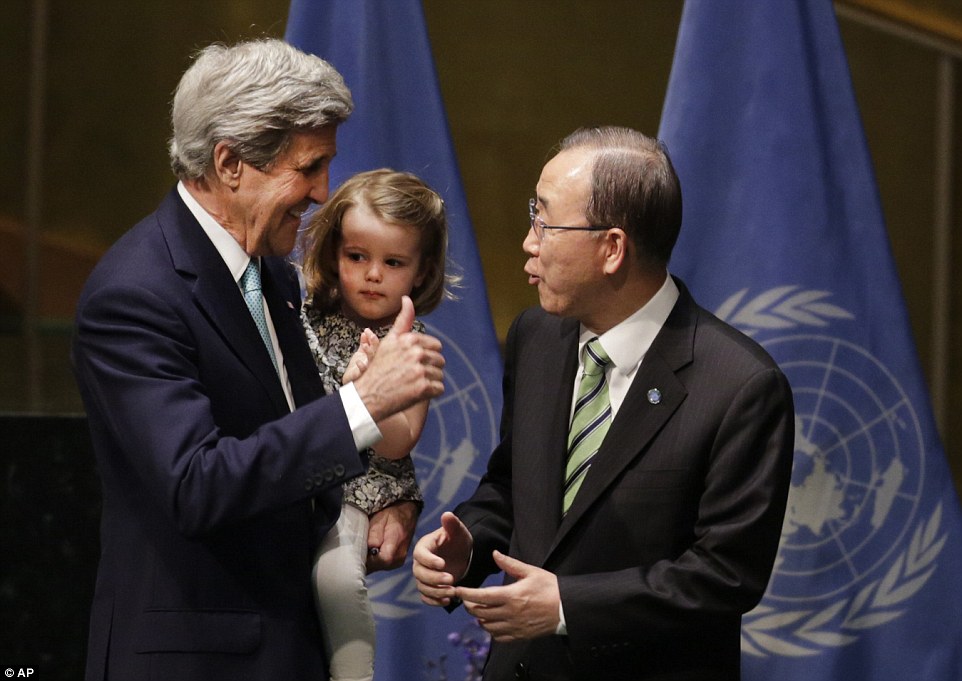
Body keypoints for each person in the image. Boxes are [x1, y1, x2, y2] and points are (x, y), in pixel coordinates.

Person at [71, 39, 445, 681]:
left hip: (287, 647)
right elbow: (197, 483)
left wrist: (378, 503)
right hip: (195, 661)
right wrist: (363, 405)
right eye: (309, 167)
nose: (324, 193)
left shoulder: (270, 271)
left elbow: (289, 444)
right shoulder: (134, 293)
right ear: (231, 163)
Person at [412, 126, 795, 681]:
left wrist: (568, 606)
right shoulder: (537, 337)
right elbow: (514, 483)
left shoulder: (742, 387)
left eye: (544, 220)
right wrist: (467, 543)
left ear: (612, 248)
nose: (528, 240)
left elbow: (725, 574)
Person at [299, 168, 455, 681]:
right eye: (356, 257)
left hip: (359, 488)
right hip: (294, 477)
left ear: (421, 271)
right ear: (331, 254)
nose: (372, 274)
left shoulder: (412, 344)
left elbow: (397, 444)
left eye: (393, 262)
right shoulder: (301, 313)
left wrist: (368, 398)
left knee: (338, 580)